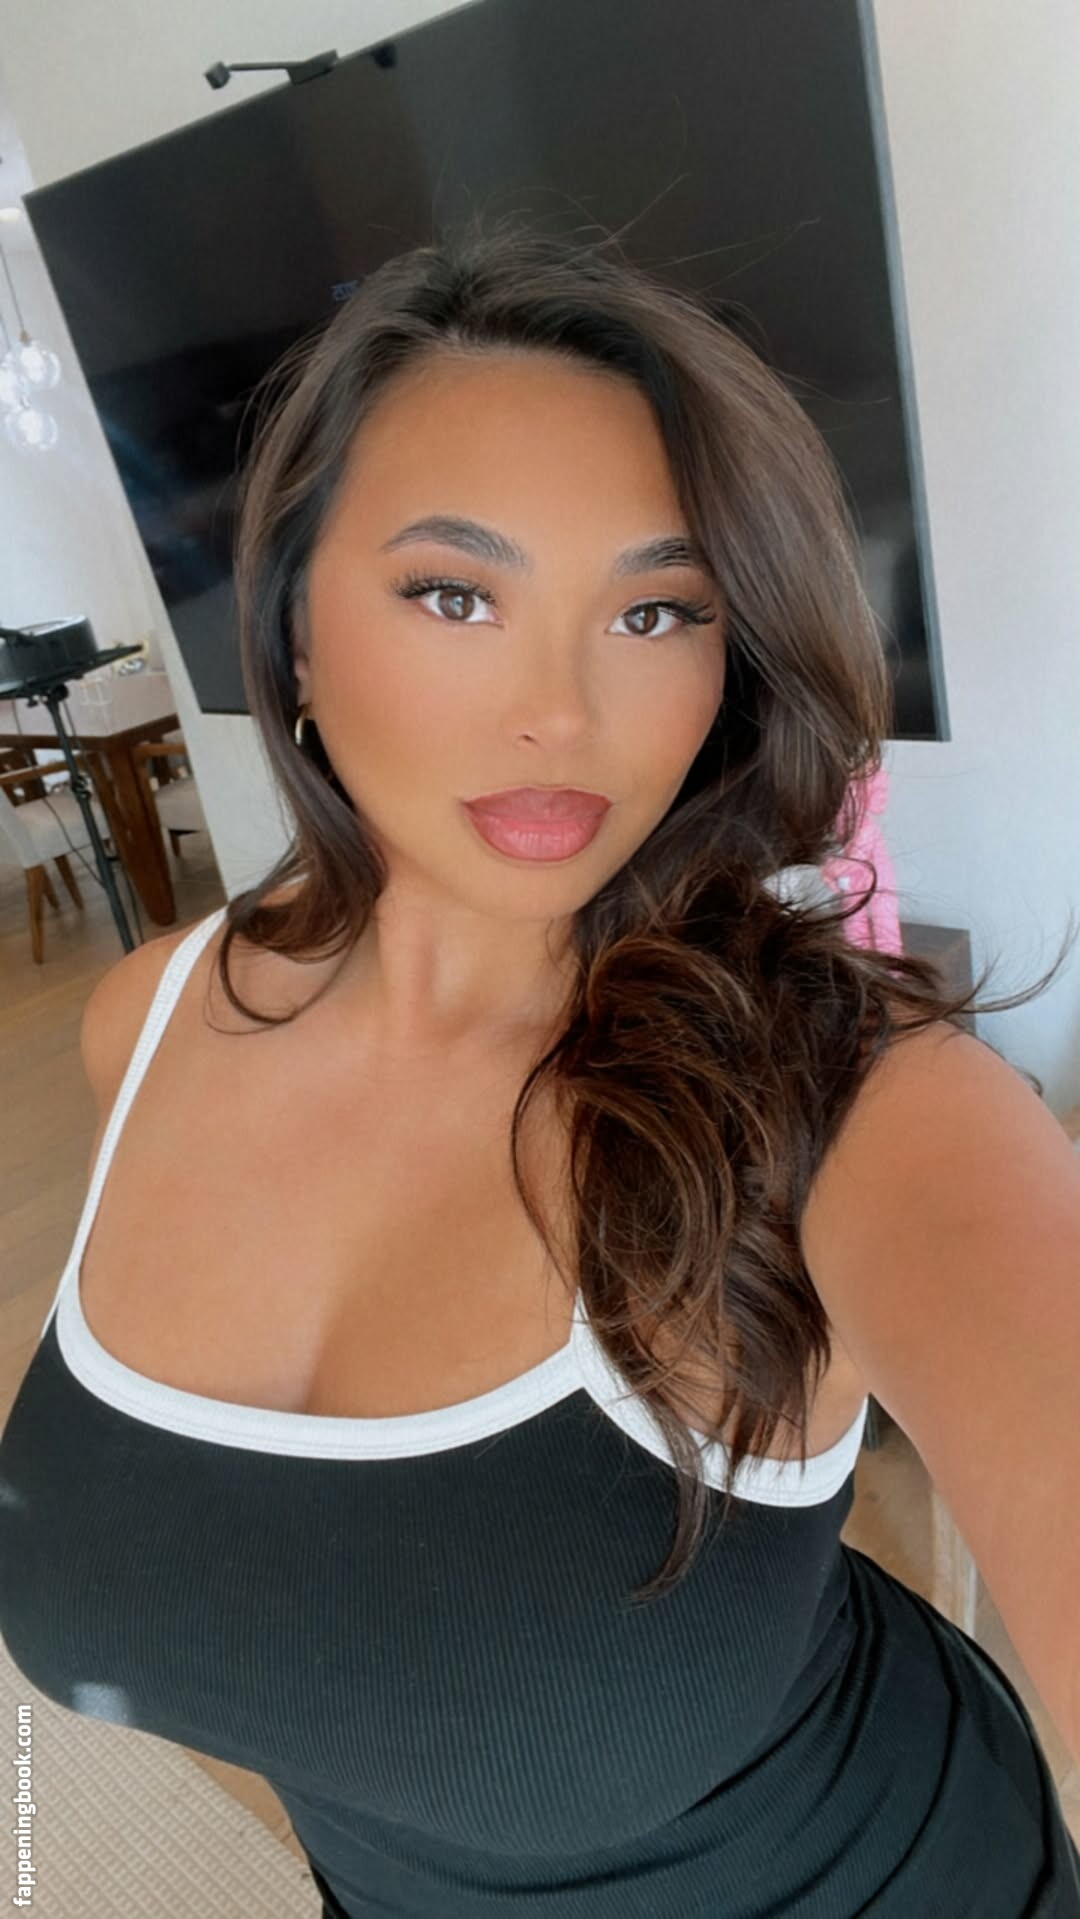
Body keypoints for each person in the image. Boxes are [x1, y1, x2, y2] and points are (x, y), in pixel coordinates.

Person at [1, 213, 1078, 1917]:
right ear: (291, 634)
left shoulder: (860, 1099)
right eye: (454, 593)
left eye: (657, 611)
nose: (562, 711)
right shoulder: (144, 1023)